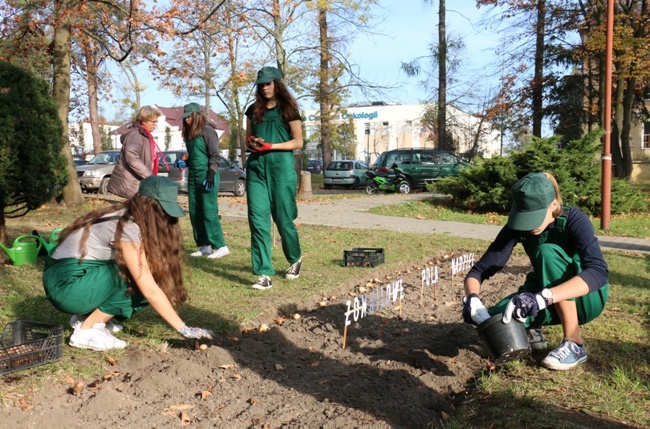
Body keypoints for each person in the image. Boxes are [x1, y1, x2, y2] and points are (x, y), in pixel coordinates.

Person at [43, 176, 214, 351]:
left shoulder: (129, 214)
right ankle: (86, 330)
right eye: (163, 211)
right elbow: (149, 288)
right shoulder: (127, 228)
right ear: (147, 205)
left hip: (69, 278)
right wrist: (185, 329)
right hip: (65, 285)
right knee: (140, 278)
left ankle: (88, 318)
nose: (166, 218)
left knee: (143, 272)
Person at [462, 172, 609, 370]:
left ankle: (575, 343)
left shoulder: (574, 220)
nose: (529, 225)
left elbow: (598, 272)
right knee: (496, 319)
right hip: (544, 293)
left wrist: (542, 298)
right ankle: (533, 331)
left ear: (554, 205)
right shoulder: (518, 226)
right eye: (524, 218)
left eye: (534, 217)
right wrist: (472, 298)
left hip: (587, 298)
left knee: (546, 252)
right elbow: (480, 270)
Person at [244, 66, 303, 290]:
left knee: (283, 218)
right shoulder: (253, 110)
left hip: (282, 168)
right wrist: (253, 143)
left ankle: (295, 258)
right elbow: (247, 139)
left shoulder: (289, 108)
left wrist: (272, 146)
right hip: (257, 169)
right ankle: (263, 273)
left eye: (268, 83)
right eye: (261, 84)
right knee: (258, 220)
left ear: (277, 84)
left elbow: (298, 142)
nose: (265, 87)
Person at [181, 103, 229, 259]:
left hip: (207, 175)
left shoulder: (208, 131)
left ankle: (221, 245)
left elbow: (215, 156)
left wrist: (211, 175)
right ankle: (205, 245)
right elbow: (196, 156)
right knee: (195, 211)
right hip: (194, 176)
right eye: (185, 117)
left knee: (209, 210)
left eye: (189, 117)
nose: (186, 120)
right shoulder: (190, 134)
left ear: (196, 116)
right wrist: (185, 163)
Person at [108, 105, 166, 198]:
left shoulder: (145, 135)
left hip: (138, 184)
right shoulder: (136, 135)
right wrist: (149, 176)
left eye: (156, 121)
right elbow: (131, 157)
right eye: (153, 121)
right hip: (130, 185)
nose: (155, 124)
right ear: (143, 120)